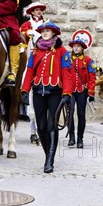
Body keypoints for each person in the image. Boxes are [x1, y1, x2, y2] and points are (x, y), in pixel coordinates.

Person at [21, 22, 71, 173]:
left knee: (51, 126)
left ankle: (50, 160)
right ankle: (47, 154)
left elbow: (67, 73)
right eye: (42, 31)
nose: (44, 33)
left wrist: (67, 93)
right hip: (38, 92)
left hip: (55, 92)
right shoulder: (35, 52)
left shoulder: (62, 51)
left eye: (47, 31)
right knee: (41, 127)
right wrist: (24, 90)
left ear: (54, 34)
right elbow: (29, 71)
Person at [20, 2, 46, 144]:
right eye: (36, 10)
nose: (38, 12)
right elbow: (20, 38)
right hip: (30, 55)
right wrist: (27, 34)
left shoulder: (46, 24)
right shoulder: (26, 25)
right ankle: (32, 130)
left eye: (40, 10)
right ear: (32, 12)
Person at [63, 37, 96, 149]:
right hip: (70, 90)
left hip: (82, 91)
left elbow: (92, 77)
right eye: (74, 46)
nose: (76, 48)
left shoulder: (88, 60)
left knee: (81, 115)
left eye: (78, 46)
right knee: (70, 113)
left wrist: (91, 93)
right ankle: (71, 137)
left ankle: (80, 138)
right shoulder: (67, 59)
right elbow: (64, 74)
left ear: (82, 48)